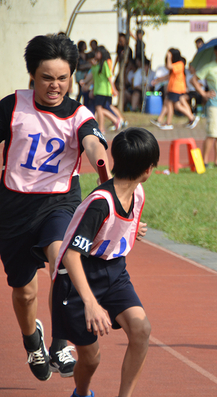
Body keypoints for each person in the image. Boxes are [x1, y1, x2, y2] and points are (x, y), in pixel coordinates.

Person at [0, 34, 109, 381]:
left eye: (63, 78)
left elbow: (92, 143)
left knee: (62, 262)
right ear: (33, 75)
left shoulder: (79, 114)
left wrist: (103, 164)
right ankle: (33, 340)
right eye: (47, 78)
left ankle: (61, 341)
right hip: (14, 207)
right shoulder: (12, 106)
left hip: (60, 203)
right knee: (24, 290)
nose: (55, 86)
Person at [52, 127, 158, 397]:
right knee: (91, 359)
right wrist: (90, 303)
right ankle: (82, 393)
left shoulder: (138, 193)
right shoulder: (100, 203)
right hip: (77, 280)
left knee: (141, 329)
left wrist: (133, 229)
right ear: (148, 169)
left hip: (114, 272)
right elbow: (72, 255)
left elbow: (118, 226)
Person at [150, 48, 200, 130]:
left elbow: (169, 67)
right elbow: (169, 76)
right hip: (173, 88)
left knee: (170, 105)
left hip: (176, 88)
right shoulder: (175, 65)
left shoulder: (179, 64)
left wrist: (169, 57)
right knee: (173, 104)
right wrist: (158, 80)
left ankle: (169, 122)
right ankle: (160, 120)